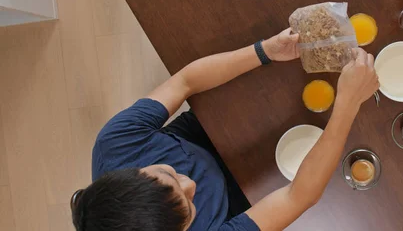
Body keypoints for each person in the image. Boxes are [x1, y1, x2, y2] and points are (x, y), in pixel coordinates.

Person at [69, 28, 379, 231]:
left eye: (170, 176)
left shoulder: (115, 143)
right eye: (188, 210)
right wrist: (348, 103)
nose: (190, 183)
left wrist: (265, 50)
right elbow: (297, 197)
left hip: (197, 135)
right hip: (237, 198)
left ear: (133, 171)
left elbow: (185, 82)